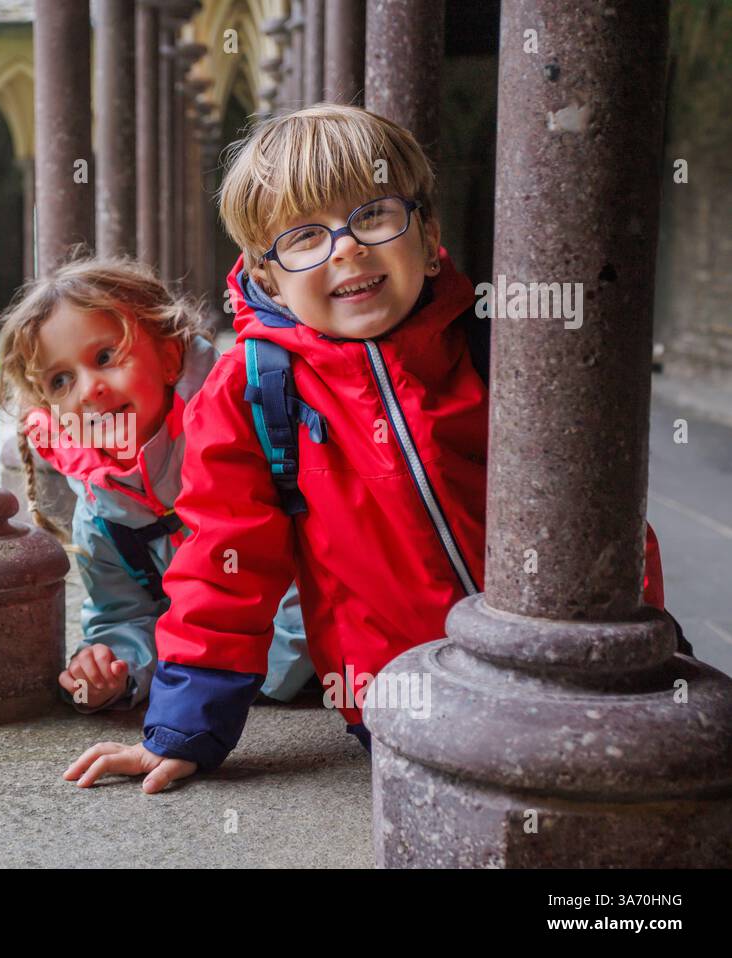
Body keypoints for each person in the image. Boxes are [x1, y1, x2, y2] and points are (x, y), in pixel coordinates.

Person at [64, 104, 678, 793]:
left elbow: (593, 510)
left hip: (571, 663)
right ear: (266, 277)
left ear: (428, 229)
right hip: (399, 696)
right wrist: (184, 729)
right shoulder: (255, 390)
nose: (347, 248)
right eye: (304, 236)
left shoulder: (497, 343)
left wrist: (647, 645)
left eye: (374, 216)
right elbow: (223, 566)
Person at [0, 256, 315, 713]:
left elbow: (308, 581)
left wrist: (229, 675)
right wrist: (112, 669)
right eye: (60, 380)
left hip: (318, 673)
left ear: (169, 358)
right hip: (221, 677)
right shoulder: (101, 512)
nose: (87, 391)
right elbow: (124, 616)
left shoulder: (241, 443)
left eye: (105, 357)